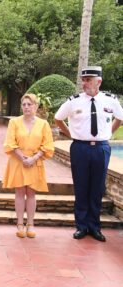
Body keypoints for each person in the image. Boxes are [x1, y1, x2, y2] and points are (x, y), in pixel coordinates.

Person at [55, 66, 123, 242]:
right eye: (83, 80)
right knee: (81, 186)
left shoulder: (110, 100)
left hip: (101, 148)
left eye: (88, 80)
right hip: (80, 148)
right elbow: (58, 118)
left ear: (98, 82)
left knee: (97, 187)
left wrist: (109, 133)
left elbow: (120, 118)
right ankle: (81, 226)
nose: (84, 83)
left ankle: (94, 227)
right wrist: (71, 134)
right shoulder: (74, 101)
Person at [2, 94, 54, 238]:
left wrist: (34, 158)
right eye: (24, 104)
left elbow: (48, 145)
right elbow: (9, 143)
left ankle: (30, 224)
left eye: (29, 104)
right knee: (19, 192)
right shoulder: (14, 122)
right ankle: (19, 224)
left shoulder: (44, 124)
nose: (26, 107)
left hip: (34, 162)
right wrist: (22, 157)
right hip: (18, 161)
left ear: (36, 106)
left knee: (31, 193)